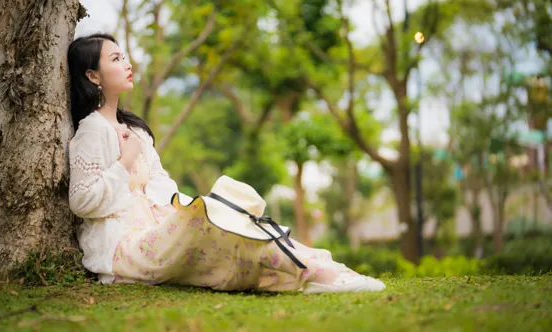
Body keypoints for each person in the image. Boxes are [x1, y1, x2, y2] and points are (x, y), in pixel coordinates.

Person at [67, 33, 386, 294]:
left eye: (124, 56)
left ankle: (322, 271)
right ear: (93, 75)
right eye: (116, 59)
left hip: (157, 229)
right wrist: (124, 163)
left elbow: (162, 185)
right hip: (124, 248)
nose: (127, 63)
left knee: (233, 221)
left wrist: (178, 211)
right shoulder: (92, 130)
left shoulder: (135, 130)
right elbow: (81, 200)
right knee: (217, 221)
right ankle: (319, 275)